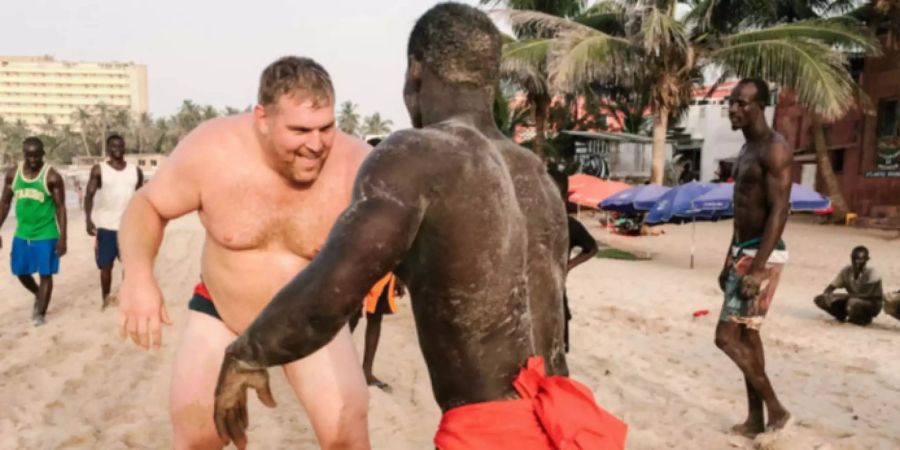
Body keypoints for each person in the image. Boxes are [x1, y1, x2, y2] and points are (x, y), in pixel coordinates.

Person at [212, 4, 627, 450]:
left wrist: (248, 351)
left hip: (494, 434)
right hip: (571, 426)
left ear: (416, 71)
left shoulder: (417, 154)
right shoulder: (535, 176)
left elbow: (332, 290)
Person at [116, 57, 371, 450]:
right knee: (197, 436)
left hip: (311, 320)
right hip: (223, 313)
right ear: (262, 118)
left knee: (346, 435)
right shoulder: (211, 150)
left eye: (326, 127)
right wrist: (138, 276)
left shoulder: (356, 165)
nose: (316, 144)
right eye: (300, 130)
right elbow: (147, 206)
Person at [714, 78, 792, 437]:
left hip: (762, 255)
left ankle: (776, 408)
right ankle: (756, 419)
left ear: (761, 105)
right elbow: (741, 210)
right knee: (746, 338)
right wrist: (729, 260)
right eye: (732, 102)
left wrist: (757, 269)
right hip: (743, 252)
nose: (734, 109)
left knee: (726, 338)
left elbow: (780, 210)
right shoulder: (746, 150)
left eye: (742, 103)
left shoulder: (774, 148)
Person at [0, 137, 68, 326]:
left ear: (42, 154)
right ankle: (39, 294)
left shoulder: (52, 176)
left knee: (46, 273)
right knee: (20, 271)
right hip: (22, 232)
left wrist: (63, 238)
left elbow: (61, 208)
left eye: (36, 156)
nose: (32, 160)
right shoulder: (13, 175)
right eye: (28, 156)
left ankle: (40, 313)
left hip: (46, 233)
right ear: (23, 155)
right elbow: (4, 203)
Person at [84, 134, 144, 310]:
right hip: (106, 226)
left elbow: (141, 198)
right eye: (113, 146)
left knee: (130, 265)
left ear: (124, 147)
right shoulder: (99, 169)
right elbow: (89, 195)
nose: (117, 149)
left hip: (129, 226)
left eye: (120, 146)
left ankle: (126, 295)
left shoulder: (135, 171)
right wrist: (88, 219)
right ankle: (105, 299)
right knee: (106, 266)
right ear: (108, 149)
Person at [349, 272, 402, 392]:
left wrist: (399, 276)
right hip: (363, 266)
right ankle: (332, 364)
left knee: (375, 317)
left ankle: (367, 372)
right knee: (353, 314)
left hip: (386, 270)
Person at [814, 246, 884, 326]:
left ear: (866, 259)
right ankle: (841, 316)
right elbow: (830, 288)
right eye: (854, 258)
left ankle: (863, 319)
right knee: (820, 299)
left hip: (871, 303)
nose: (856, 261)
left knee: (852, 302)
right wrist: (827, 295)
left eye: (860, 259)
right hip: (851, 300)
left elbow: (867, 294)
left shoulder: (872, 272)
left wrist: (841, 296)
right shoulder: (846, 271)